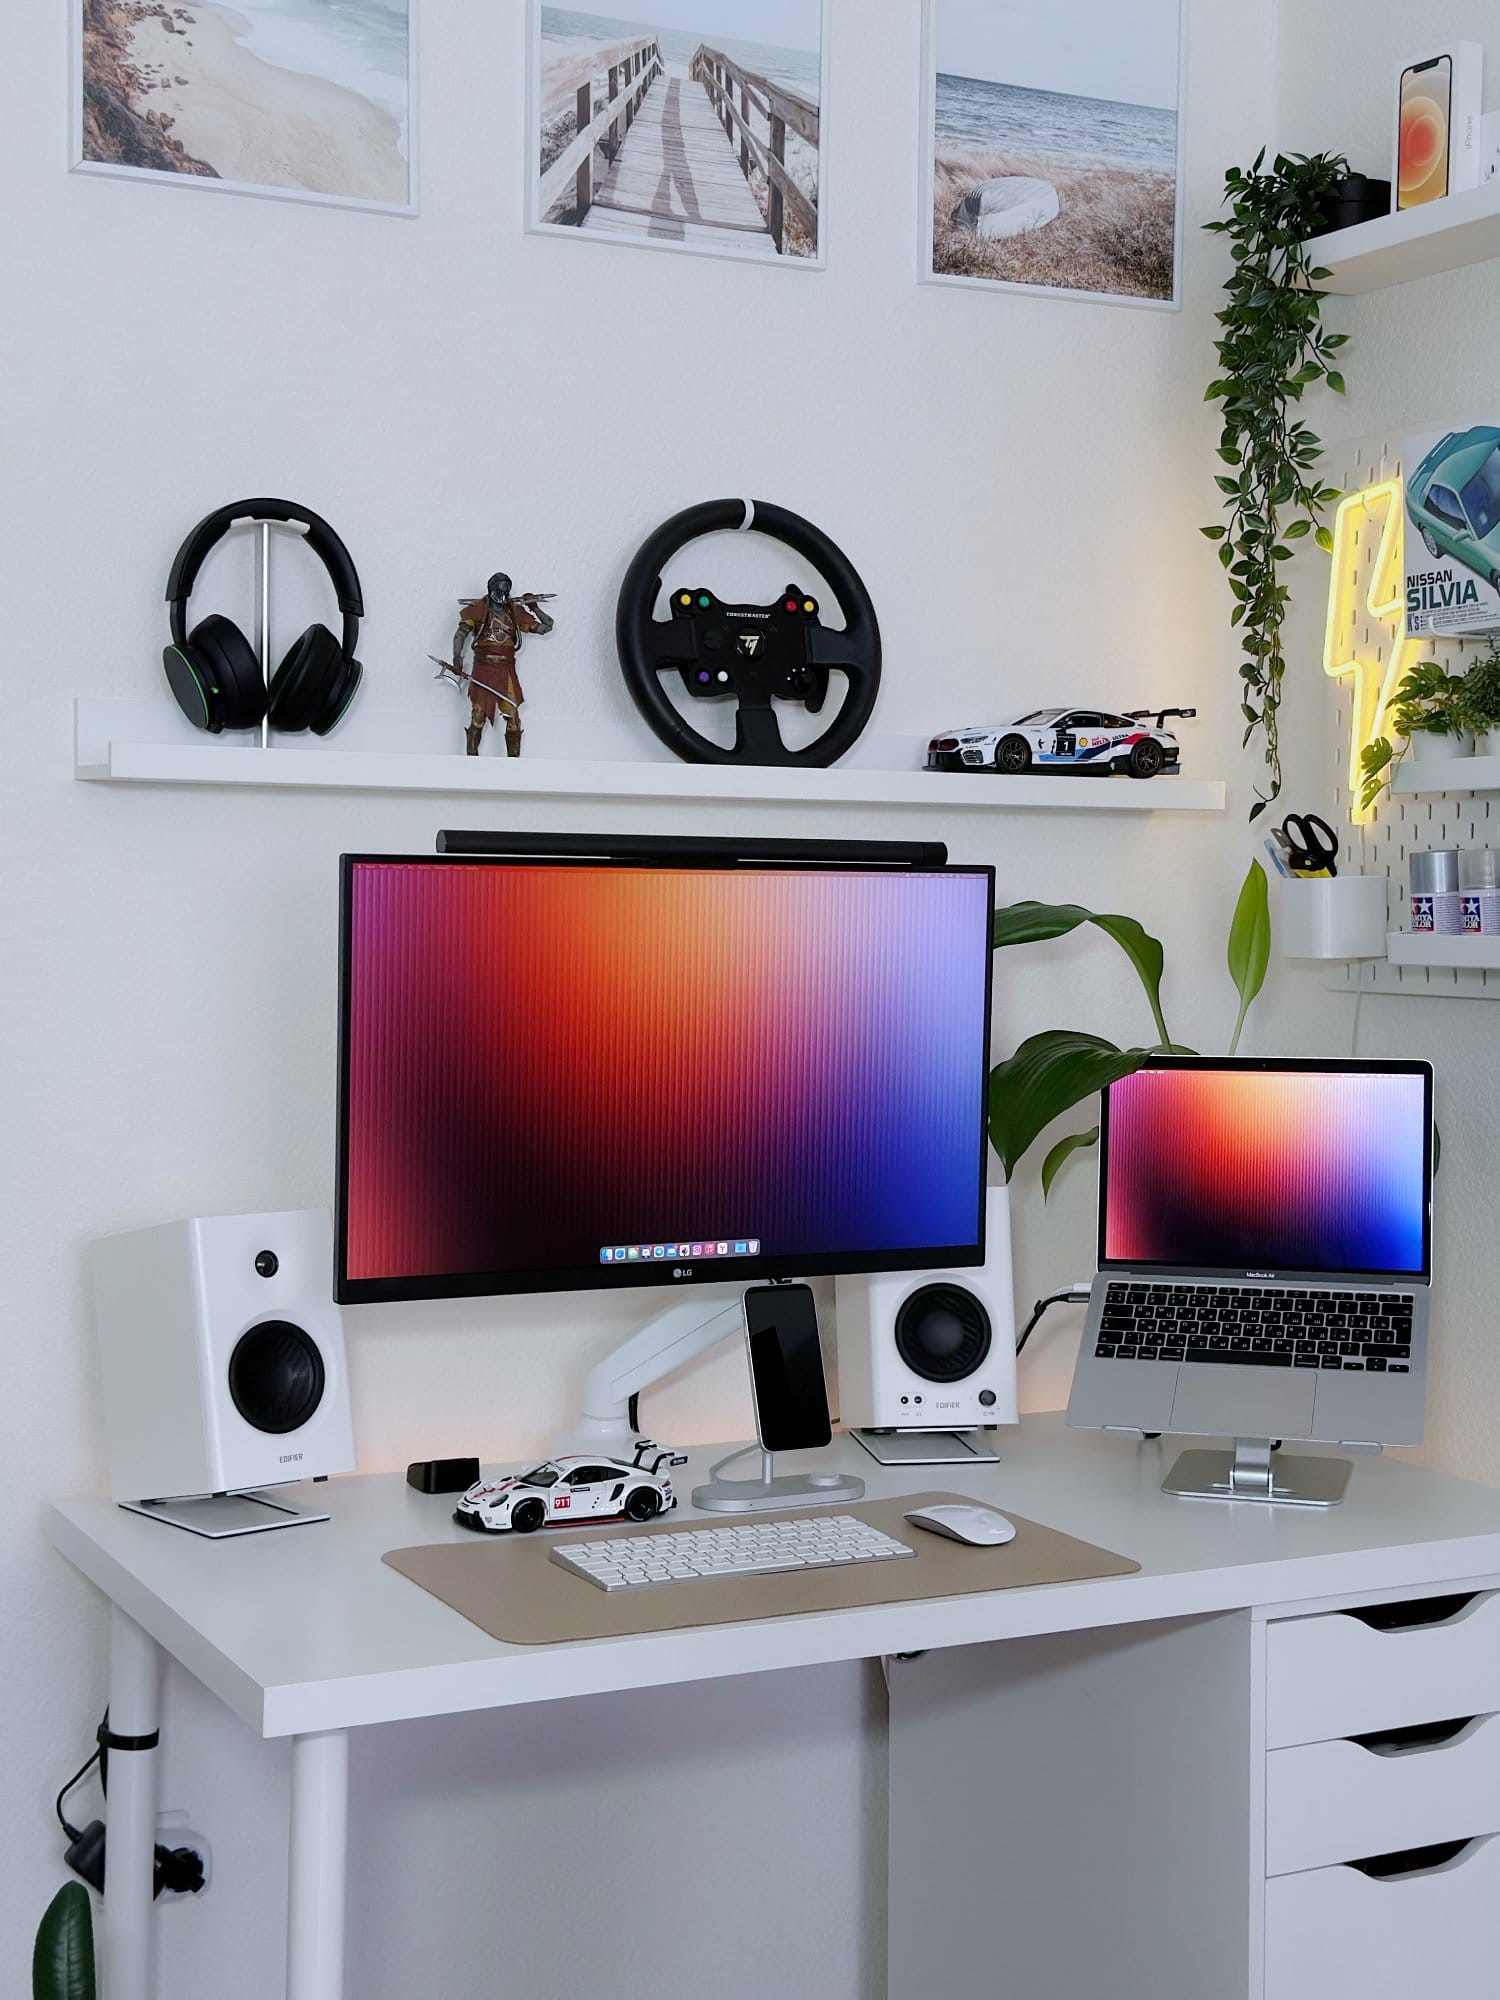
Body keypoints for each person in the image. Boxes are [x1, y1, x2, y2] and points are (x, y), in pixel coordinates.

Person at [445, 573, 555, 757]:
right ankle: (471, 762)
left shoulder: (514, 612)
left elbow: (547, 626)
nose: (503, 594)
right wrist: (457, 658)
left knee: (512, 718)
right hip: (483, 669)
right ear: (491, 590)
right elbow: (461, 634)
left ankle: (513, 766)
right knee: (478, 715)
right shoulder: (479, 609)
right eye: (499, 590)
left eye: (506, 590)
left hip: (506, 671)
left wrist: (534, 607)